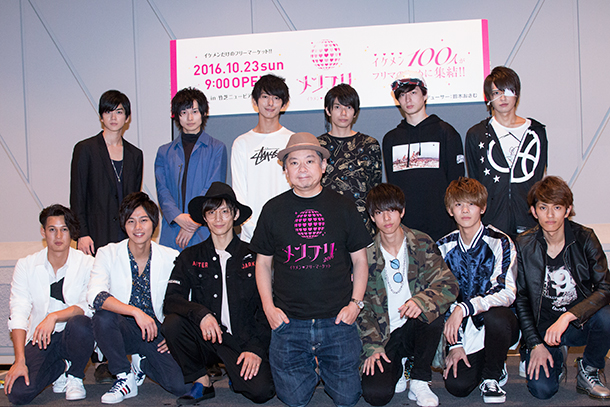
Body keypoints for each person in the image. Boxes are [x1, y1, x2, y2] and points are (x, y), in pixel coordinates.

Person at [251, 132, 371, 407]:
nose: (302, 168)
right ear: (285, 170)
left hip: (337, 320)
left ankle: (323, 366)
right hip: (290, 322)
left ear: (323, 165)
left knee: (347, 398)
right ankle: (310, 367)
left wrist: (355, 304)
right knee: (293, 399)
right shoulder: (273, 210)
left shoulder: (343, 206)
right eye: (294, 163)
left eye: (309, 161)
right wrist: (269, 308)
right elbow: (263, 263)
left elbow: (360, 260)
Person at [163, 182, 274, 405]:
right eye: (211, 212)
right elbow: (172, 300)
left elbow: (268, 307)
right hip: (208, 337)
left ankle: (235, 373)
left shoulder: (254, 256)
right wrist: (201, 314)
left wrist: (255, 349)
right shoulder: (190, 256)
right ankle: (201, 381)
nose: (218, 218)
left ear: (235, 214)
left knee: (261, 392)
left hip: (243, 342)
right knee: (173, 323)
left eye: (224, 211)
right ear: (204, 218)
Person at [359, 183, 458, 407]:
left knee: (431, 311)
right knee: (376, 395)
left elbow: (448, 284)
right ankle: (401, 366)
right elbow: (361, 306)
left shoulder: (421, 242)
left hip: (416, 328)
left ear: (402, 211)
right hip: (385, 335)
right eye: (379, 212)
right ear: (372, 217)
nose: (386, 218)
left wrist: (421, 301)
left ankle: (420, 380)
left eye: (392, 210)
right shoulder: (366, 255)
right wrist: (372, 346)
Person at [87, 192, 189, 404]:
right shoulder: (108, 253)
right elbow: (95, 295)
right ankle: (124, 376)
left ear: (154, 224)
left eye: (143, 220)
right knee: (103, 316)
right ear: (124, 225)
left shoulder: (171, 257)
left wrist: (174, 334)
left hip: (155, 331)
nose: (138, 227)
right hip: (121, 329)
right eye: (131, 221)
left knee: (180, 386)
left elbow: (184, 301)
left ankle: (140, 363)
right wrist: (135, 312)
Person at [515, 176, 610, 400]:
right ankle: (556, 358)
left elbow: (605, 288)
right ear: (534, 211)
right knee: (542, 391)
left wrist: (568, 316)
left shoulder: (585, 238)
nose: (550, 215)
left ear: (567, 210)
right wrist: (535, 344)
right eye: (543, 208)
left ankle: (589, 368)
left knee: (607, 316)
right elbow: (521, 299)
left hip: (578, 323)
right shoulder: (523, 244)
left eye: (557, 207)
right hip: (543, 329)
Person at [436, 178, 519, 403]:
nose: (465, 210)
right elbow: (441, 298)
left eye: (471, 204)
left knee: (496, 317)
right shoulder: (442, 247)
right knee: (457, 386)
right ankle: (489, 360)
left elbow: (507, 292)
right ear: (450, 210)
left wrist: (465, 308)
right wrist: (455, 345)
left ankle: (492, 375)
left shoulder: (500, 242)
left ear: (482, 207)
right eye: (459, 204)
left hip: (497, 324)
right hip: (463, 331)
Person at [5, 205, 94, 404]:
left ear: (71, 232)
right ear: (43, 232)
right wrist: (19, 360)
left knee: (81, 323)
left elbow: (87, 305)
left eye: (64, 229)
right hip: (41, 337)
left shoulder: (87, 263)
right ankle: (61, 367)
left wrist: (54, 317)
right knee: (17, 393)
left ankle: (75, 375)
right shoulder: (26, 265)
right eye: (52, 229)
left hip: (72, 335)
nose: (58, 236)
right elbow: (18, 311)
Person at [465, 66, 548, 240]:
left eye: (508, 91)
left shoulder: (536, 132)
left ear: (517, 94)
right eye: (496, 93)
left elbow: (538, 176)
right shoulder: (477, 134)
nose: (502, 98)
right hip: (491, 222)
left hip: (529, 221)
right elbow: (475, 181)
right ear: (488, 98)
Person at [382, 72, 464, 241]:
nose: (408, 99)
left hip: (443, 229)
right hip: (405, 231)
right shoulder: (391, 139)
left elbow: (456, 184)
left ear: (425, 95)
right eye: (402, 95)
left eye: (413, 92)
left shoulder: (446, 132)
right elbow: (393, 187)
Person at [70, 89, 143, 255]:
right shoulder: (85, 149)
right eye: (108, 112)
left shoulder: (135, 154)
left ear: (127, 117)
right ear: (101, 117)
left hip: (126, 235)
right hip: (94, 234)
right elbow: (77, 196)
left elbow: (135, 200)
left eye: (119, 112)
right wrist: (82, 234)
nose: (113, 117)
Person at [155, 87, 227, 251]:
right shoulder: (164, 152)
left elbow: (213, 188)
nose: (190, 118)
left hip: (203, 228)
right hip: (173, 228)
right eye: (184, 112)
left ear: (203, 113)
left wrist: (193, 221)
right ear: (176, 115)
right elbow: (162, 190)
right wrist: (178, 218)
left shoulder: (217, 148)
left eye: (194, 111)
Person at [230, 74, 293, 242]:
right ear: (255, 101)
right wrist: (252, 229)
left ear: (284, 104)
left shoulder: (292, 140)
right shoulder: (241, 143)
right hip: (251, 235)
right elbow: (239, 192)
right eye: (265, 97)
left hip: (287, 232)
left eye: (276, 98)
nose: (270, 103)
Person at [318, 84, 382, 236]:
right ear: (328, 110)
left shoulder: (369, 145)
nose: (343, 113)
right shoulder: (317, 146)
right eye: (337, 107)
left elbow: (375, 189)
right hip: (326, 224)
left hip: (362, 225)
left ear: (355, 112)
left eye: (349, 107)